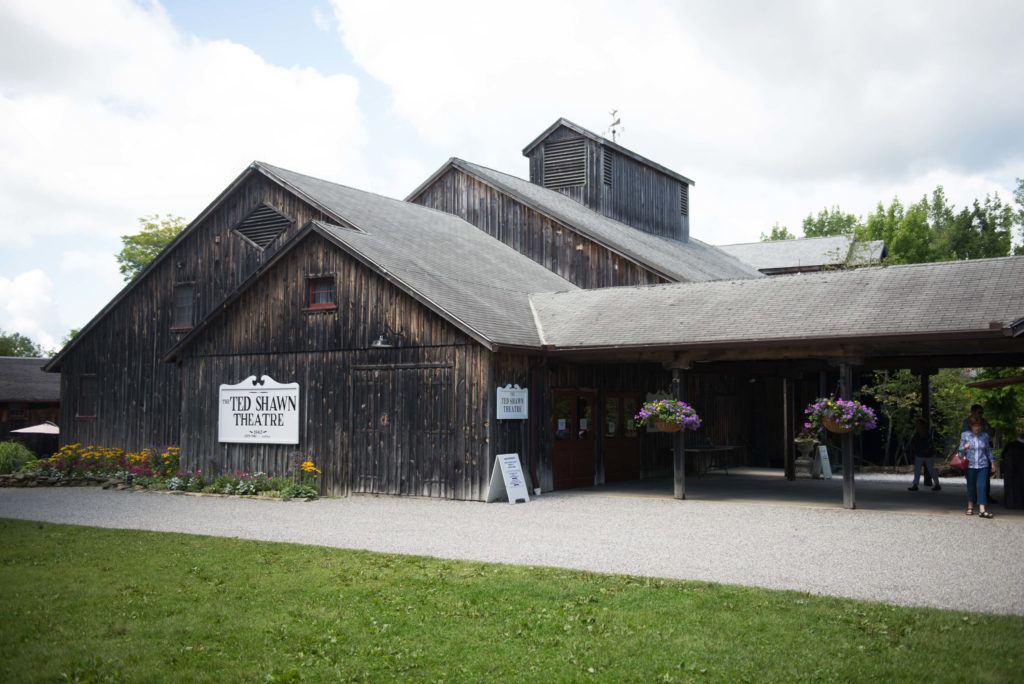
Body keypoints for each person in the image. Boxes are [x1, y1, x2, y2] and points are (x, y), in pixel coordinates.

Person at [961, 404, 997, 504]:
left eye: (982, 412)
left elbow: (991, 433)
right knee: (971, 481)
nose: (981, 414)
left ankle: (984, 497)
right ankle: (972, 500)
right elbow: (965, 437)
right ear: (973, 412)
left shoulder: (984, 421)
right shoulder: (967, 422)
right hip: (971, 454)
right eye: (979, 412)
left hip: (983, 452)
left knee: (984, 479)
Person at [907, 417, 941, 491]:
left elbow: (930, 444)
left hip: (928, 454)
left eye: (918, 424)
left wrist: (925, 450)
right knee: (917, 470)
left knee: (931, 470)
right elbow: (913, 443)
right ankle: (915, 485)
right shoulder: (917, 433)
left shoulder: (927, 433)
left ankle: (937, 484)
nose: (917, 425)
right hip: (920, 454)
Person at [1001, 419, 1024, 510]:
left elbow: (1004, 456)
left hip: (1010, 471)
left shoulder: (1010, 446)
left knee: (1011, 487)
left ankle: (1010, 503)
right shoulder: (1013, 446)